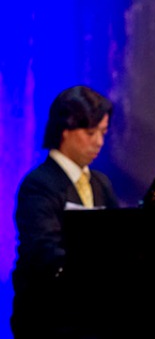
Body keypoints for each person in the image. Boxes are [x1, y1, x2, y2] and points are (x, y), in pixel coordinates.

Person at [11, 85, 120, 338]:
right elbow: (44, 251)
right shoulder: (39, 184)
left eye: (103, 132)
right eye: (90, 132)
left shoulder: (100, 183)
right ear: (65, 130)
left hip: (93, 313)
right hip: (51, 315)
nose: (99, 142)